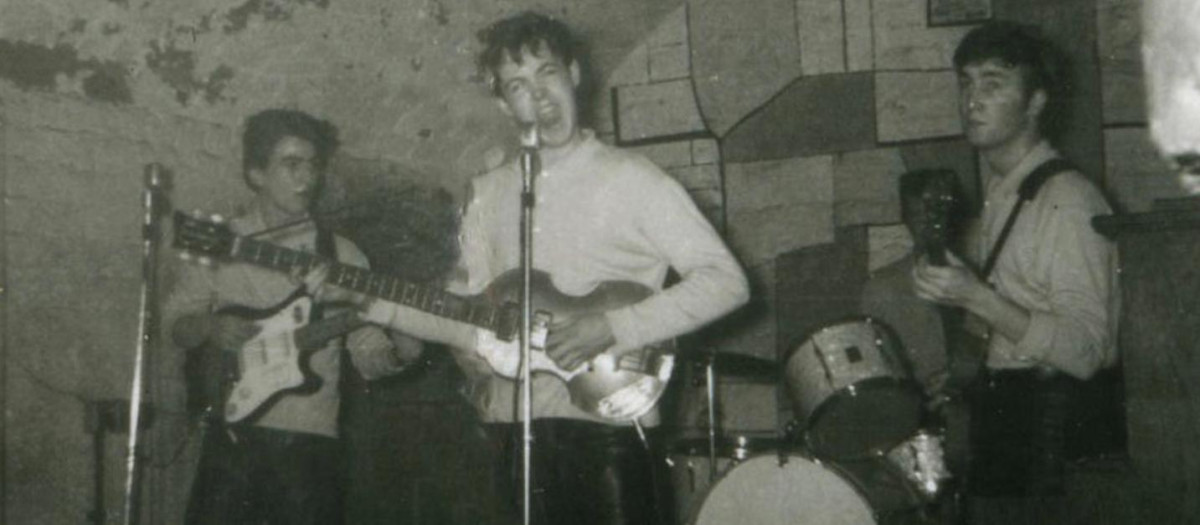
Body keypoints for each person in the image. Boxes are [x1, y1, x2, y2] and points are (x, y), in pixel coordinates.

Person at [361, 11, 749, 525]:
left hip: (610, 425)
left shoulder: (635, 179)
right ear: (503, 103)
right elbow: (469, 318)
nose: (539, 96)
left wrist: (614, 326)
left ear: (574, 73)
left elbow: (727, 282)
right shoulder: (486, 194)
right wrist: (374, 304)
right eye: (518, 86)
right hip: (511, 426)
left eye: (547, 73)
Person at [166, 108, 423, 525]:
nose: (307, 178)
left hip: (311, 442)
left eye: (312, 165)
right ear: (256, 173)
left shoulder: (343, 256)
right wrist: (210, 326)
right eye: (291, 164)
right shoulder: (221, 242)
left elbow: (368, 355)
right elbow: (176, 324)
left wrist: (405, 350)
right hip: (232, 435)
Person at [911, 21, 1123, 520]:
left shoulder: (1067, 200)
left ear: (1035, 103)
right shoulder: (1004, 193)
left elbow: (1088, 351)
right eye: (965, 83)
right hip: (1013, 422)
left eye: (993, 83)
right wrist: (965, 371)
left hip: (1054, 434)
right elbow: (1018, 317)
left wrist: (974, 296)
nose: (972, 100)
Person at [861, 169, 966, 397]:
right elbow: (876, 372)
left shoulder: (983, 278)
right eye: (919, 216)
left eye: (938, 215)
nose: (930, 226)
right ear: (905, 219)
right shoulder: (881, 288)